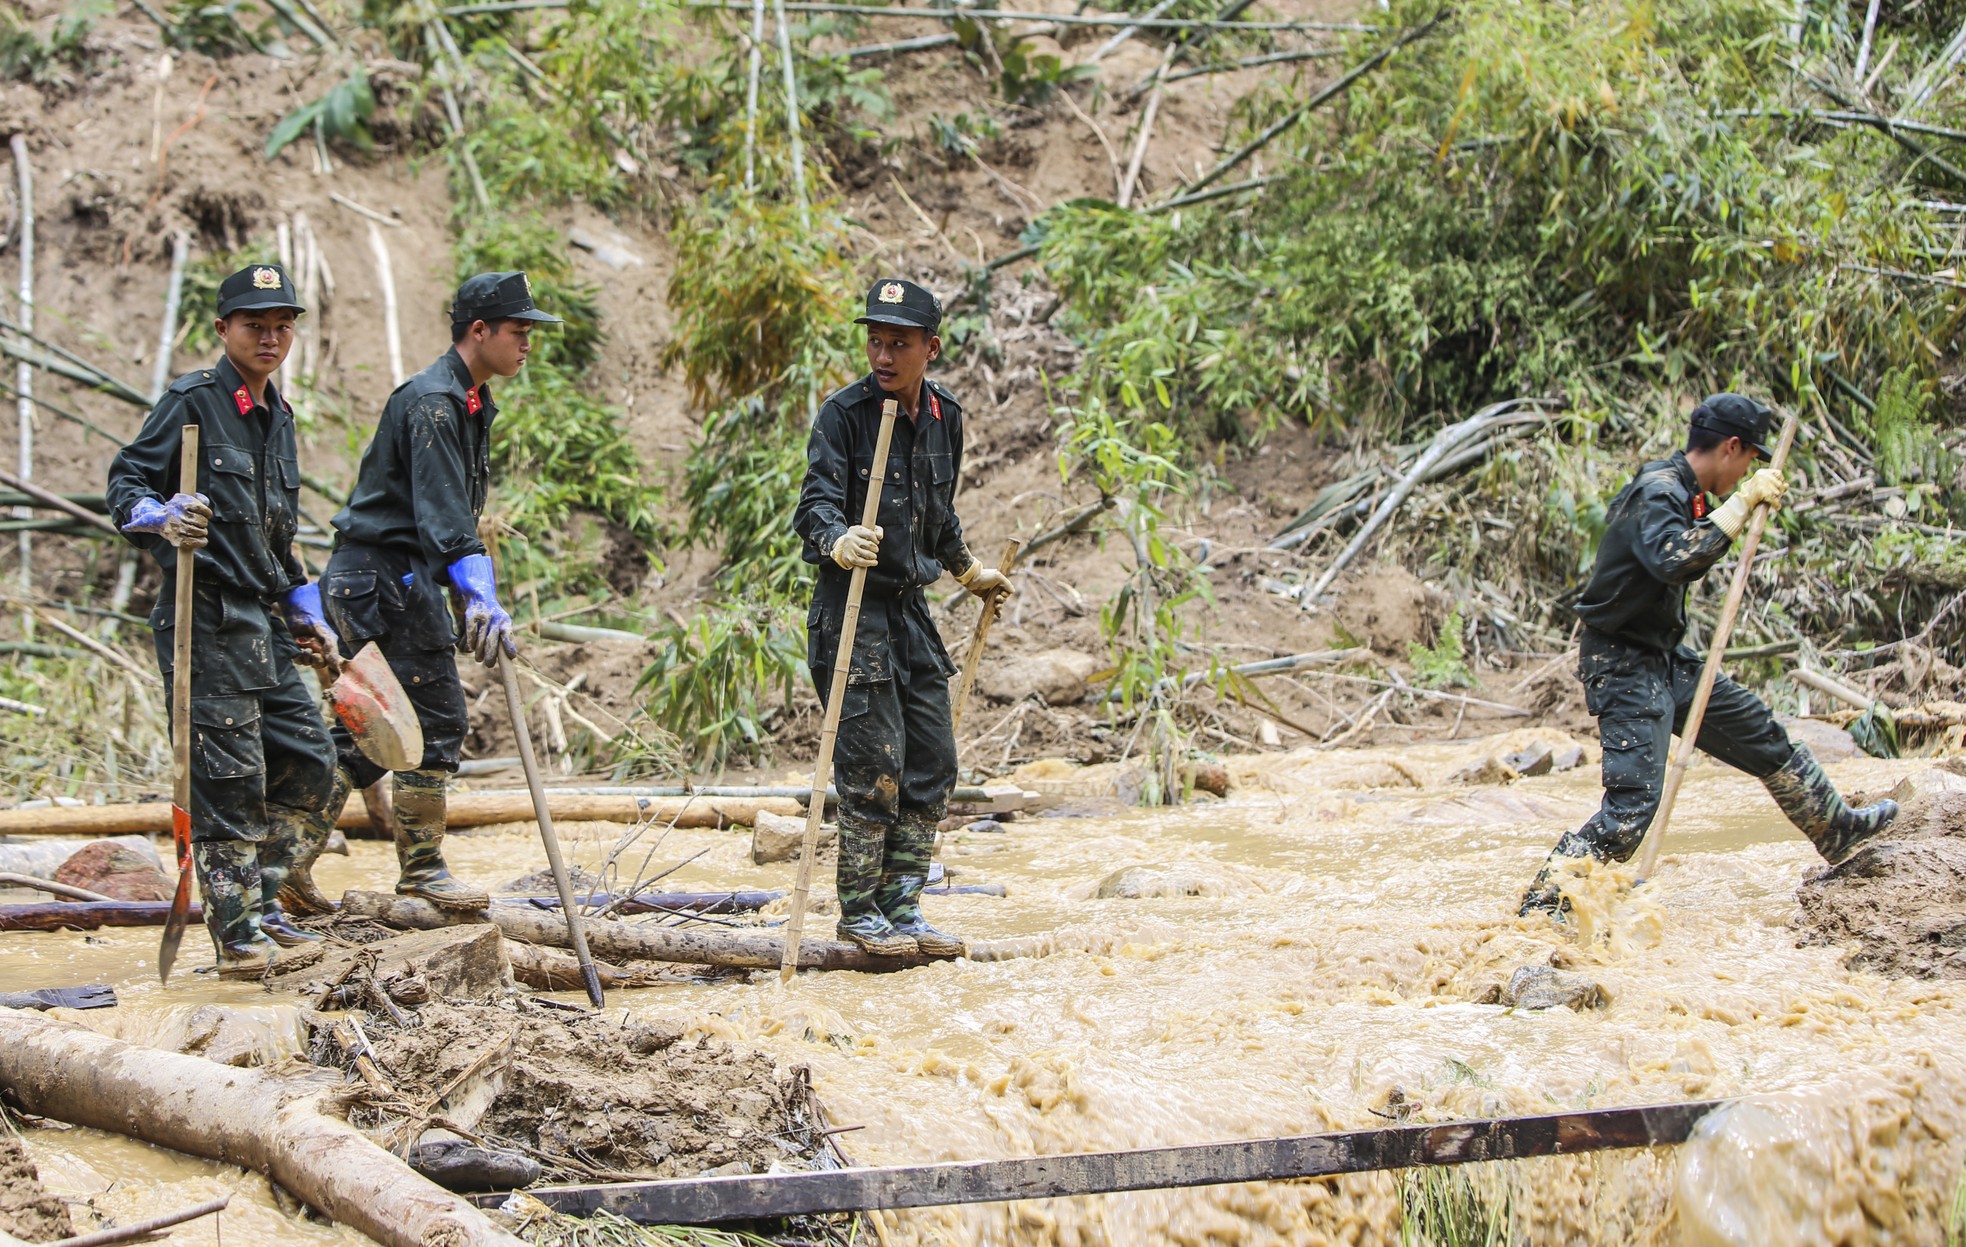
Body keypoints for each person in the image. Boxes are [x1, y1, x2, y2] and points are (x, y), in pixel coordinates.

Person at [1520, 393, 1898, 915]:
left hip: (1666, 657)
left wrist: (1732, 507)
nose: (1747, 471)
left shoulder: (1687, 493)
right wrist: (1741, 505)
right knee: (1633, 807)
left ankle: (1837, 830)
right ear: (1732, 448)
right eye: (1749, 460)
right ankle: (1543, 909)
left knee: (1762, 735)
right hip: (1622, 664)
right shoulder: (1658, 491)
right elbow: (1674, 558)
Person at [280, 272, 560, 913]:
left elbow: (443, 523)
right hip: (384, 580)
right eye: (519, 332)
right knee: (430, 722)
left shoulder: (465, 399)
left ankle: (284, 860)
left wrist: (466, 593)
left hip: (391, 577)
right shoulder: (434, 403)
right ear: (479, 331)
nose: (527, 345)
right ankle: (422, 872)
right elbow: (446, 521)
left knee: (366, 733)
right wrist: (481, 594)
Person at [106, 263, 341, 975]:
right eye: (254, 324)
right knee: (230, 778)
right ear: (223, 329)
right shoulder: (193, 402)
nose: (271, 337)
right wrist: (160, 515)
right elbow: (125, 482)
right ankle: (235, 933)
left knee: (311, 758)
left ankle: (267, 899)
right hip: (203, 618)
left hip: (263, 619)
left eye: (282, 324)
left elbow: (277, 536)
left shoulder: (279, 418)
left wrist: (306, 609)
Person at [792, 277, 1013, 956]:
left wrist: (969, 570)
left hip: (908, 610)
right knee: (872, 768)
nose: (883, 355)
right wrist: (836, 540)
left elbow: (936, 517)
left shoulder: (946, 416)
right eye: (875, 340)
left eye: (899, 343)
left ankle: (903, 904)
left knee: (933, 760)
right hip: (851, 608)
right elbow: (813, 508)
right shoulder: (845, 415)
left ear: (932, 349)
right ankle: (859, 913)